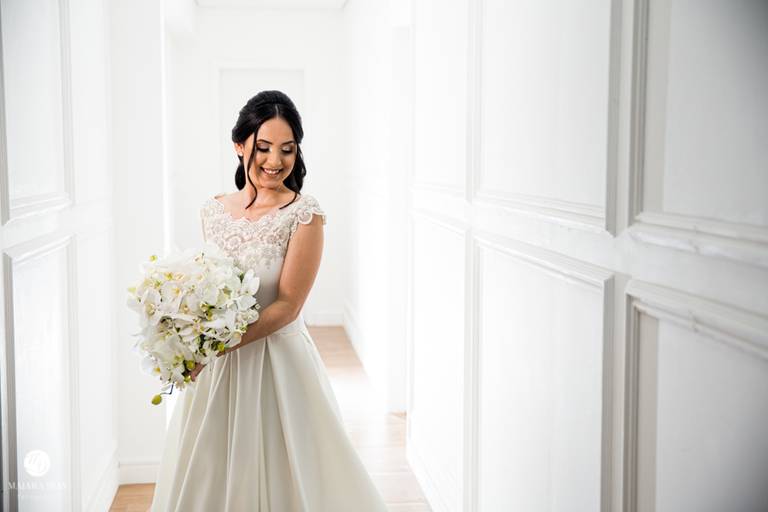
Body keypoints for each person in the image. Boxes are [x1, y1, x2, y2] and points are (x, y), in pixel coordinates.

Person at [150, 90, 388, 511]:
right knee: (211, 469)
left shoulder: (304, 214)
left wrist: (214, 345)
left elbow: (289, 305)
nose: (275, 162)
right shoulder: (213, 210)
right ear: (239, 145)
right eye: (262, 148)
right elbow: (206, 285)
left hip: (278, 364)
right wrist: (189, 333)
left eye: (287, 149)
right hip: (219, 373)